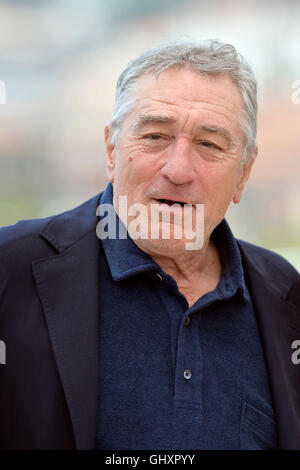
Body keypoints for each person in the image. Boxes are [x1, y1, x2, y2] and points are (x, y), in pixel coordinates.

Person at [0, 39, 299, 451]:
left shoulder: (285, 294)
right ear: (111, 150)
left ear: (244, 173)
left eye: (209, 144)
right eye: (156, 136)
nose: (178, 170)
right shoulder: (10, 269)